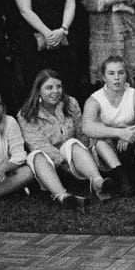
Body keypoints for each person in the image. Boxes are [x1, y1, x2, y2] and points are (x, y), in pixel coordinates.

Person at [17, 68, 106, 207]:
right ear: (38, 90)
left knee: (72, 142)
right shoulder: (26, 114)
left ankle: (97, 181)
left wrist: (85, 152)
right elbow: (36, 144)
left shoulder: (71, 103)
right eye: (49, 88)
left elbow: (80, 132)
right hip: (46, 162)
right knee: (36, 155)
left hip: (71, 156)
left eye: (58, 86)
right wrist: (62, 162)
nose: (55, 91)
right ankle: (63, 196)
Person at [82, 55, 135, 194]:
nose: (116, 77)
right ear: (103, 77)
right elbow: (87, 127)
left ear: (126, 75)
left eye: (121, 72)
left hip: (132, 142)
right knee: (97, 139)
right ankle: (122, 178)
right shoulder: (95, 99)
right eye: (111, 73)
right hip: (111, 148)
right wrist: (120, 133)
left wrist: (133, 131)